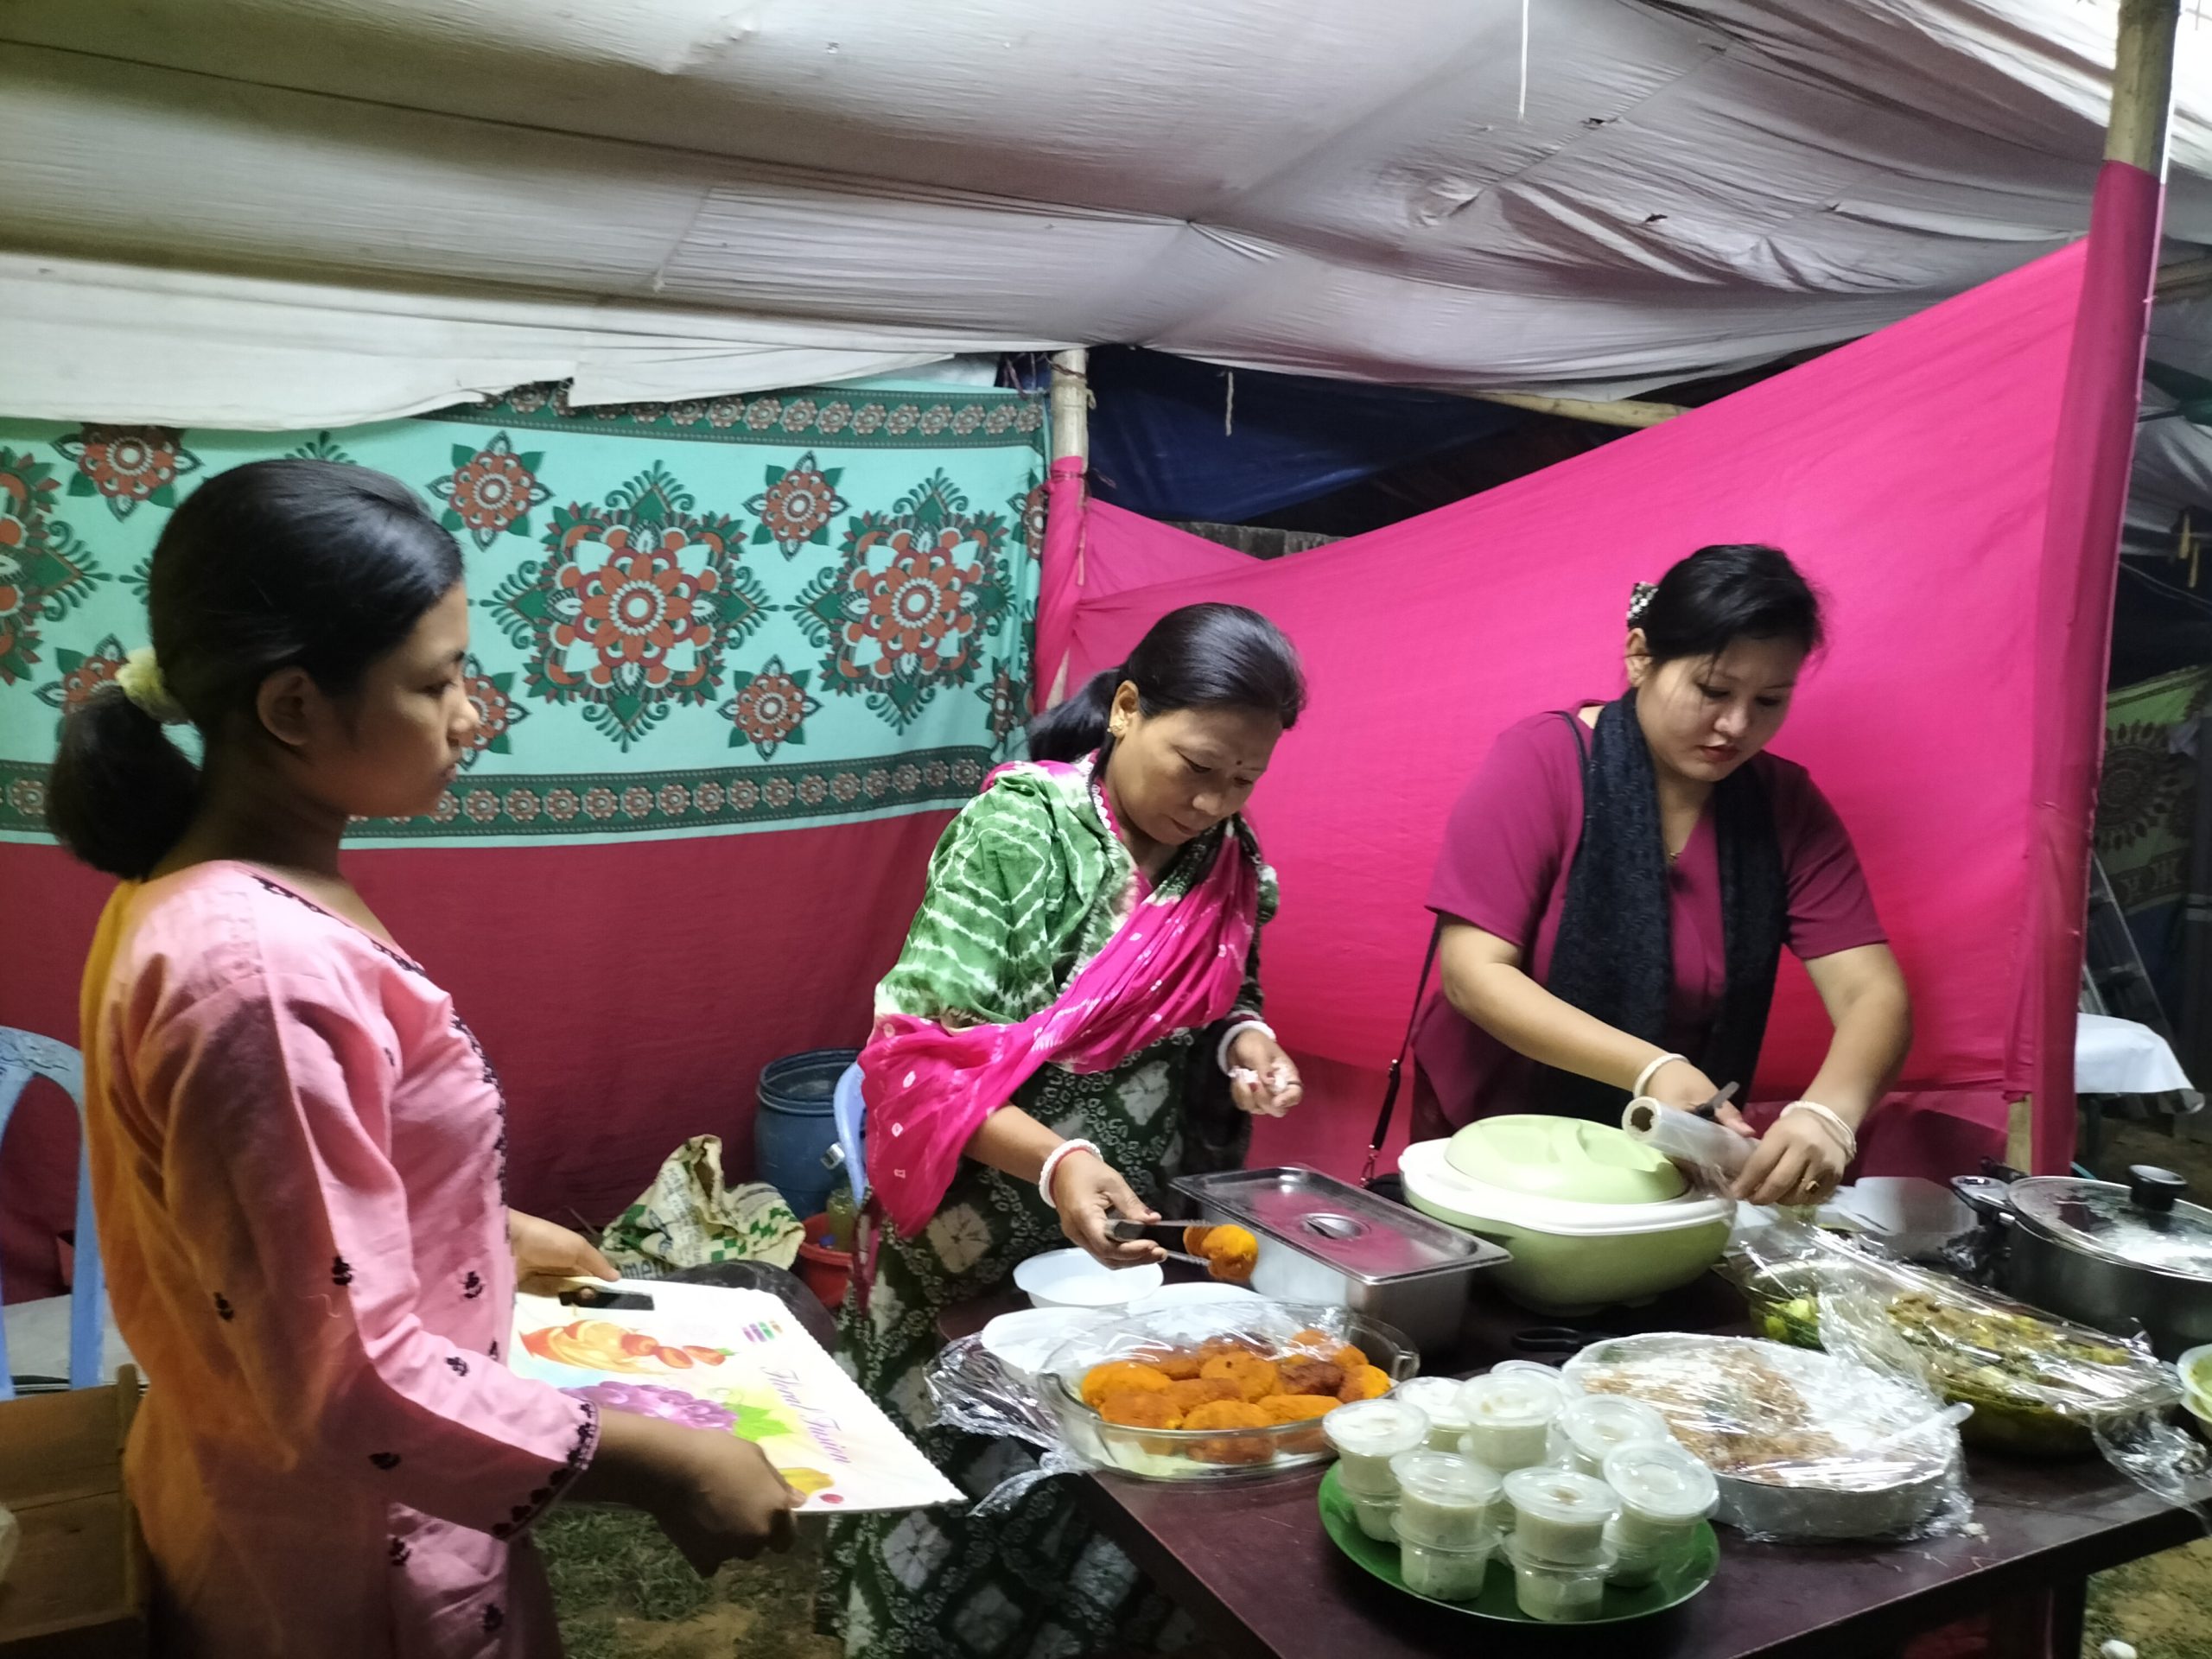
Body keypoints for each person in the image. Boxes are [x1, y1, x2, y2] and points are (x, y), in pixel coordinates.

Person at [47, 461, 801, 1659]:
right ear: (294, 707)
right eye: (436, 681)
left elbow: (271, 1217)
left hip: (287, 1498)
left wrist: (485, 1234)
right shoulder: (256, 977)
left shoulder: (203, 895)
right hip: (348, 1564)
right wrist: (665, 1463)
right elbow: (348, 1380)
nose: (470, 715)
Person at [817, 603, 1307, 1659]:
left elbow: (1229, 994)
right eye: (1196, 767)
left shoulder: (1226, 859)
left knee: (1109, 1465)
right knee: (962, 1481)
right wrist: (1058, 1161)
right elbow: (918, 1055)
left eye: (1243, 780)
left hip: (1127, 1239)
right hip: (973, 1234)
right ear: (1127, 708)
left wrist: (1247, 1046)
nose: (1212, 803)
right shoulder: (1018, 836)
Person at [1413, 543, 1911, 1206]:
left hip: (1667, 1160)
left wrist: (1828, 1115)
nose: (1736, 725)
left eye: (1770, 700)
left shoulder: (1784, 806)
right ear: (1640, 656)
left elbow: (1871, 994)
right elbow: (1473, 974)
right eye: (1712, 690)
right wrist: (1649, 1068)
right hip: (1494, 1144)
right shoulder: (1542, 763)